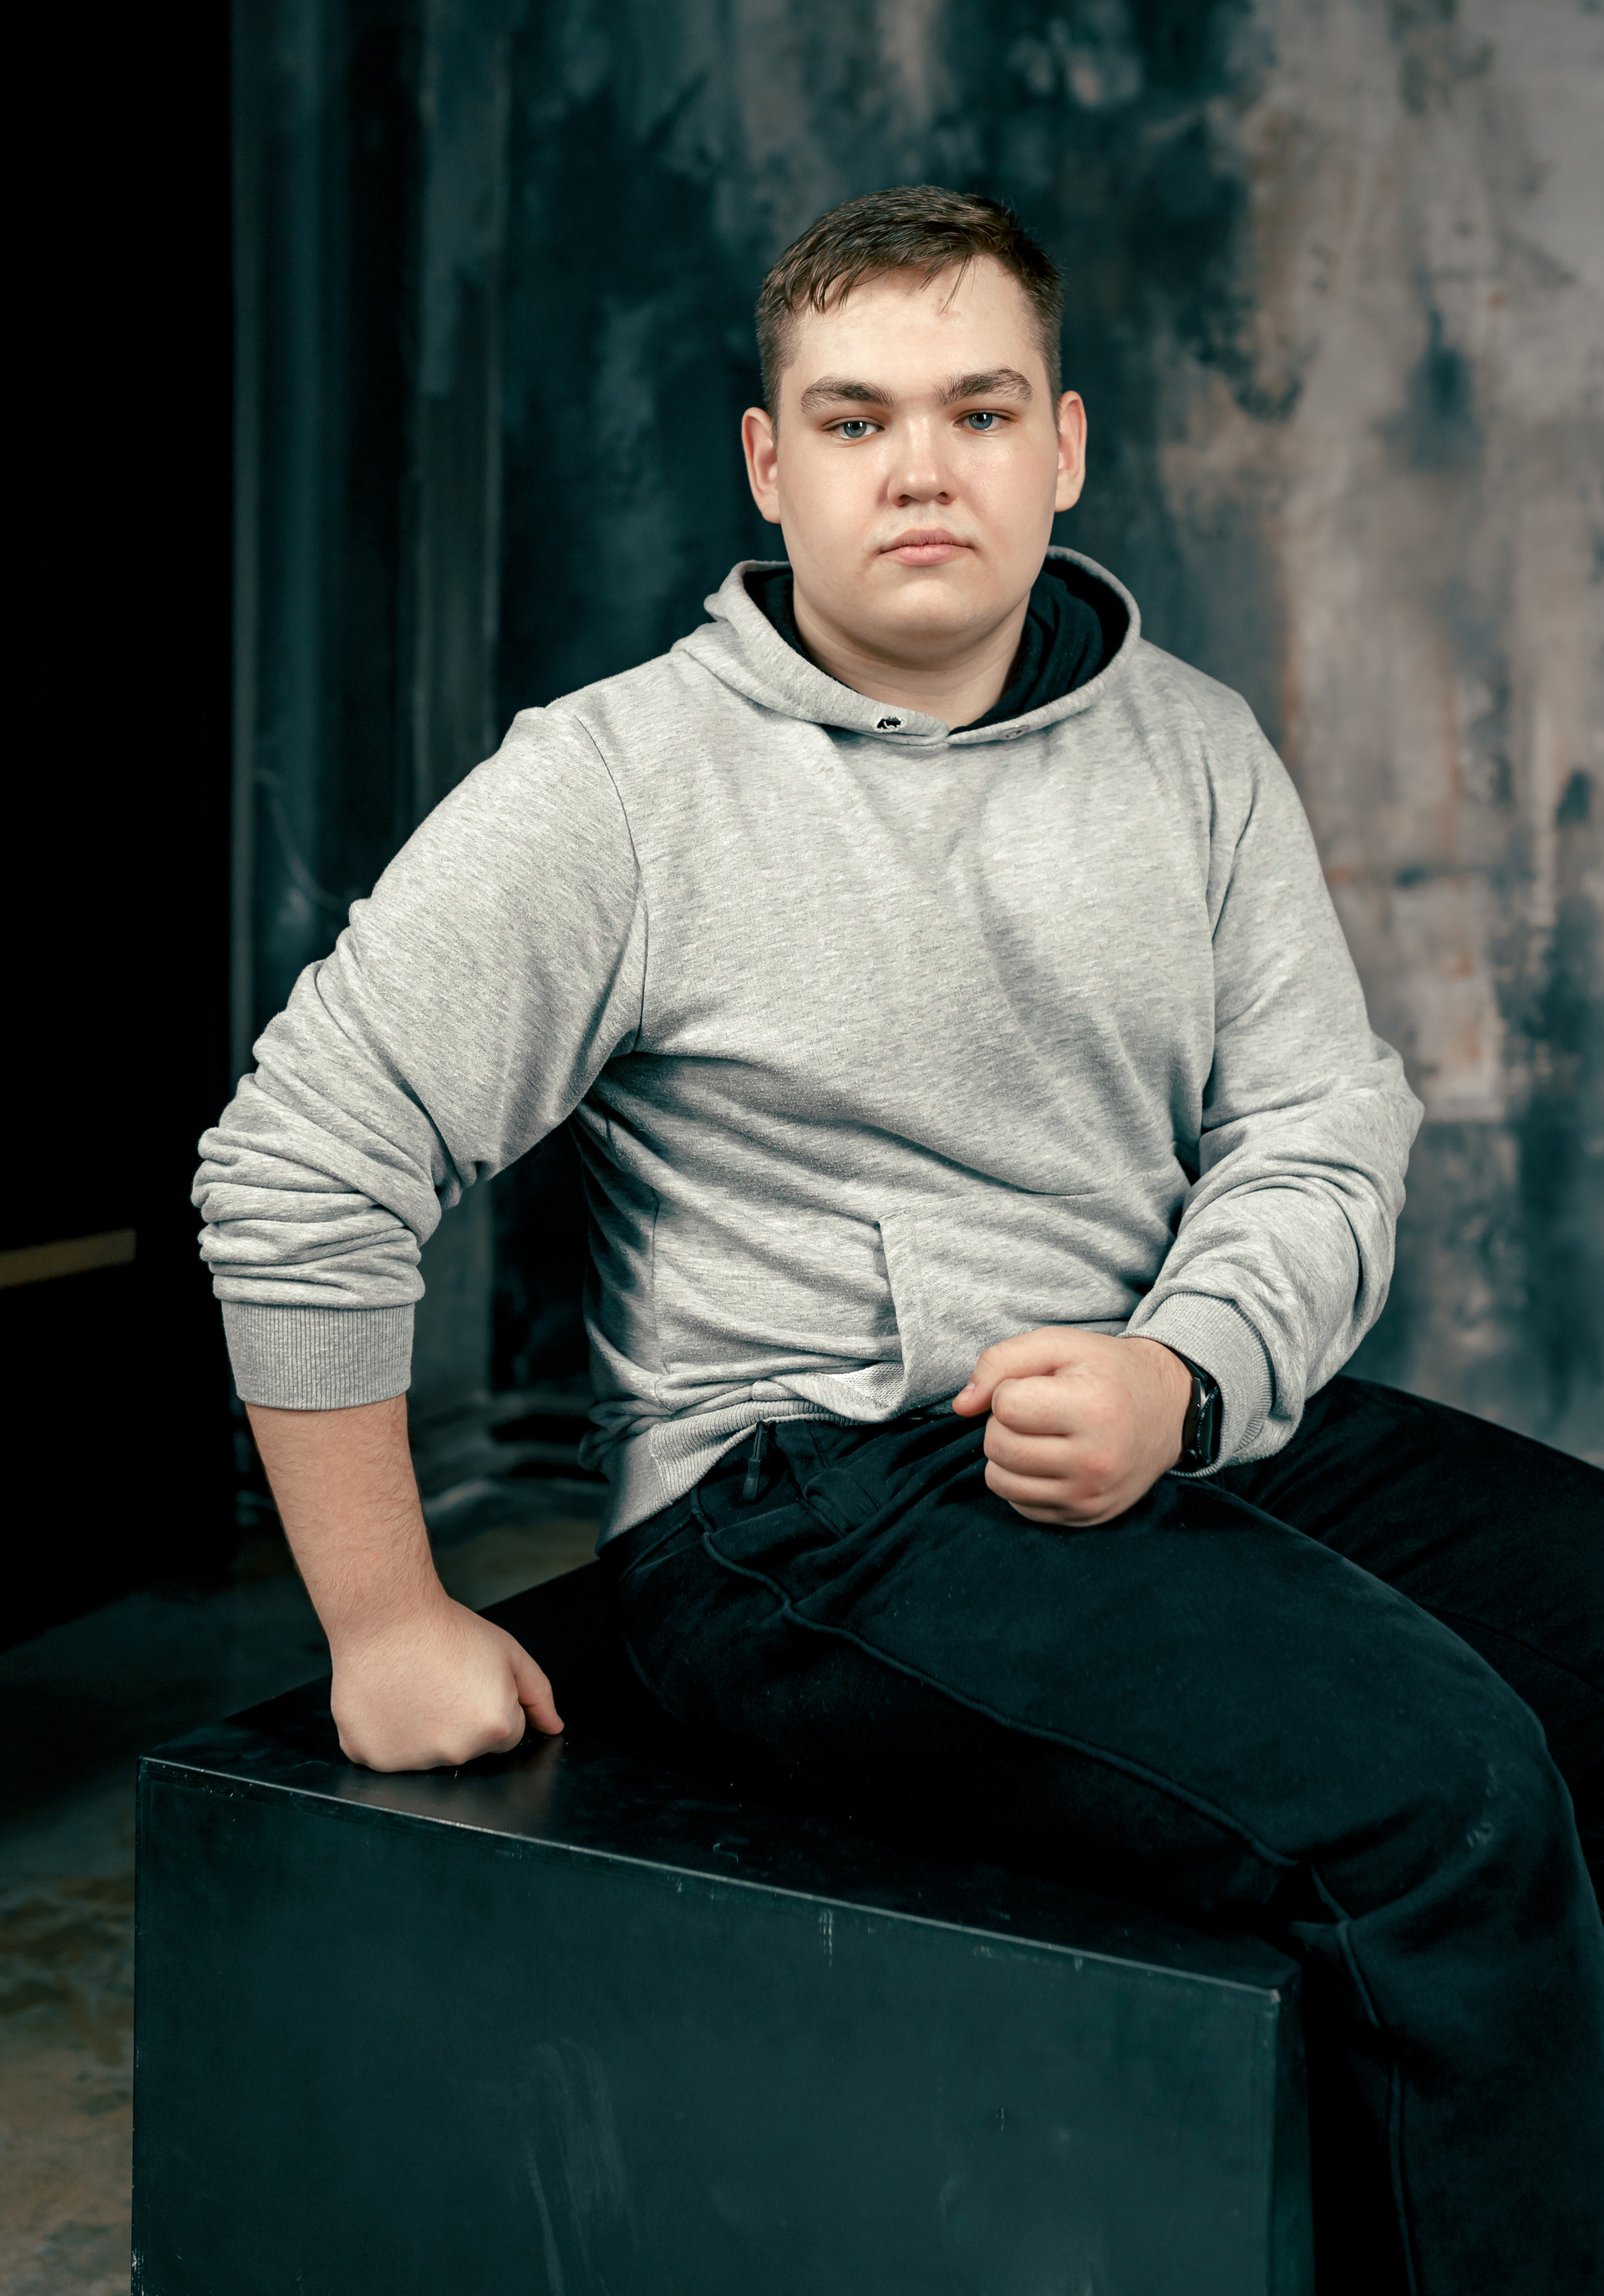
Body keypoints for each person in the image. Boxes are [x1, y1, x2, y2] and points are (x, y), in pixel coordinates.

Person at [195, 186, 1601, 2291]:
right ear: (771, 464)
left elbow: (1322, 1126)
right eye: (856, 421)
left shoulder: (1195, 749)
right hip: (804, 1500)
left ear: (1066, 446)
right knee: (1440, 1798)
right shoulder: (621, 783)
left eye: (978, 410)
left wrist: (1186, 1369)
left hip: (1154, 1417)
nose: (921, 469)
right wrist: (384, 1617)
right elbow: (301, 1156)